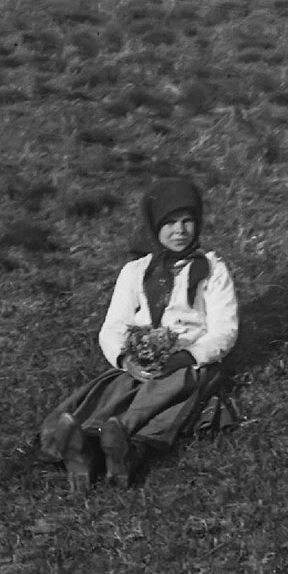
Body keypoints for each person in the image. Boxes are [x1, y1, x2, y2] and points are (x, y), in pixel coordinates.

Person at [43, 174, 240, 492]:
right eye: (169, 222)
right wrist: (126, 359)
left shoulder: (212, 270)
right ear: (153, 225)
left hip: (189, 362)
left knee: (167, 392)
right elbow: (113, 326)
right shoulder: (135, 272)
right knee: (115, 391)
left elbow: (225, 330)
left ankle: (122, 437)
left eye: (187, 221)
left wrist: (185, 357)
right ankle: (86, 446)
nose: (179, 230)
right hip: (143, 357)